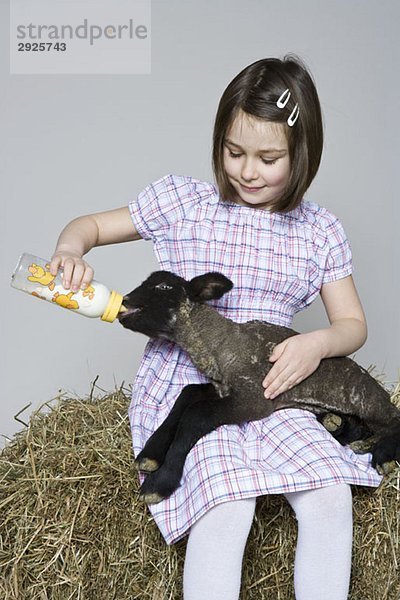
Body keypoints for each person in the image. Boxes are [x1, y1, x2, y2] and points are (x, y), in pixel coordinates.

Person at [50, 55, 382, 600]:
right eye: (234, 153)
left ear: (303, 154)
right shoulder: (186, 202)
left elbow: (352, 324)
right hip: (192, 391)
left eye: (269, 157)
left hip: (274, 389)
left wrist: (317, 342)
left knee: (330, 493)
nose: (249, 171)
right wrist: (69, 251)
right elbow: (87, 226)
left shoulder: (319, 229)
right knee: (227, 503)